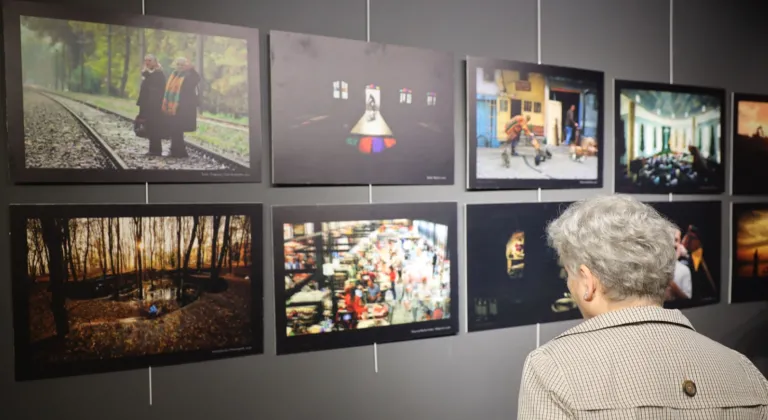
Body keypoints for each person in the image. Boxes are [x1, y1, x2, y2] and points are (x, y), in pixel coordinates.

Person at [518, 195, 768, 419]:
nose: (569, 284)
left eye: (569, 274)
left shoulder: (552, 369)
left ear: (587, 281)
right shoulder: (744, 371)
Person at [161, 57, 201, 158]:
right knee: (174, 129)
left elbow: (197, 78)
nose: (180, 66)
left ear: (186, 66)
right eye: (178, 64)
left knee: (177, 129)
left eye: (182, 65)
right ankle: (176, 150)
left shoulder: (189, 75)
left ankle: (180, 152)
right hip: (173, 107)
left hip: (183, 107)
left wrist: (191, 69)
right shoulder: (174, 75)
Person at [136, 54, 166, 156]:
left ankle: (156, 150)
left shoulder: (158, 74)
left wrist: (146, 75)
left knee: (155, 127)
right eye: (146, 60)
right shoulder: (149, 73)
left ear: (155, 62)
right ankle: (153, 149)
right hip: (147, 105)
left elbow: (157, 90)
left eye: (149, 60)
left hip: (154, 106)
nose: (147, 62)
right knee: (149, 126)